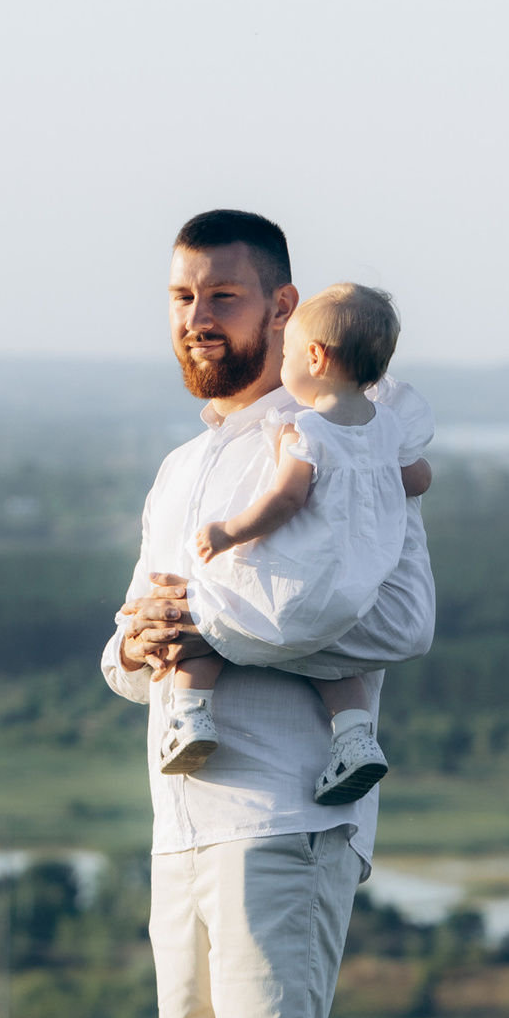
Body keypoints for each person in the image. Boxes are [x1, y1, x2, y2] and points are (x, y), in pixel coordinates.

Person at [101, 208, 435, 1018]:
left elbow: (385, 620)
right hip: (184, 813)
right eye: (184, 298)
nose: (199, 319)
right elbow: (124, 647)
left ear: (283, 311)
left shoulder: (339, 447)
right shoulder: (182, 469)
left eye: (224, 297)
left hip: (290, 808)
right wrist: (145, 635)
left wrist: (211, 626)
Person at [136, 281, 416, 808]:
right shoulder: (385, 430)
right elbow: (416, 478)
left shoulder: (304, 428)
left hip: (303, 578)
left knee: (208, 605)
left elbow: (287, 498)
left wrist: (230, 531)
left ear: (313, 355)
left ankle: (192, 713)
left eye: (286, 352)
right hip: (354, 583)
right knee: (334, 666)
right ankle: (355, 738)